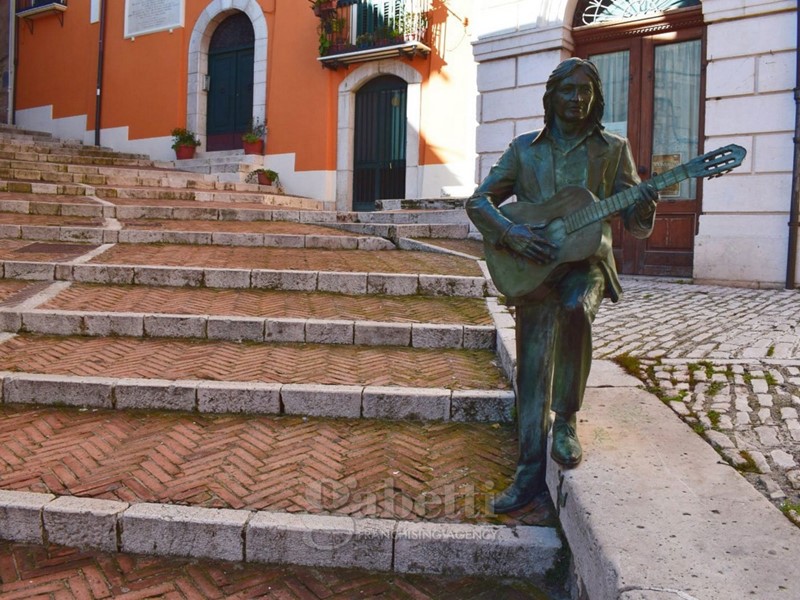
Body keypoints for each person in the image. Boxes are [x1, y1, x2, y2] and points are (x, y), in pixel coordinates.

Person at [466, 57, 658, 513]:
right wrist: (510, 232)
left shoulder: (613, 149)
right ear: (551, 97)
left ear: (595, 99)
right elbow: (478, 201)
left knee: (575, 307)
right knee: (532, 365)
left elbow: (635, 224)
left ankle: (566, 419)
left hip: (587, 263)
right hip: (533, 263)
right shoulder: (524, 150)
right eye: (568, 90)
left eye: (585, 91)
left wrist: (645, 205)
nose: (577, 98)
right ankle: (528, 469)